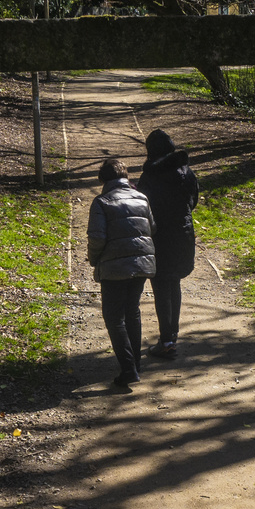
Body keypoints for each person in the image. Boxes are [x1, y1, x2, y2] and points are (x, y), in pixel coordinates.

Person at [87, 157, 156, 387]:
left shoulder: (101, 202)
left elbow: (97, 237)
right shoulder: (142, 197)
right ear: (125, 176)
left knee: (114, 317)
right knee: (132, 312)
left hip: (114, 267)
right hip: (141, 264)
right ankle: (135, 364)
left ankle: (128, 370)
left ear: (103, 179)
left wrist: (95, 259)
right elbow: (151, 228)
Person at [137, 129, 200, 358]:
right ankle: (171, 336)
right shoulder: (186, 171)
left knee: (162, 287)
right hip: (183, 235)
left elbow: (143, 206)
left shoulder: (150, 176)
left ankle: (166, 341)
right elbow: (193, 201)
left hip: (159, 236)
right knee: (174, 284)